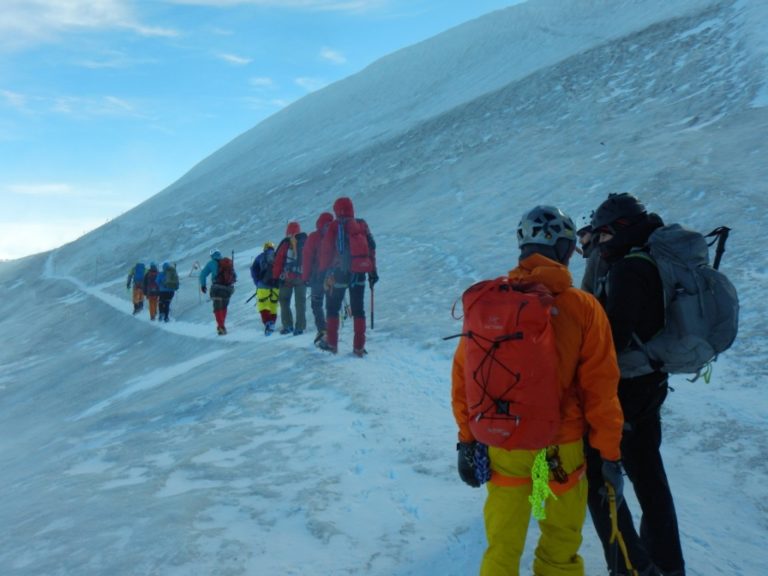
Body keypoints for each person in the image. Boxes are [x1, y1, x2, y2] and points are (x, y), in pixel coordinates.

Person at [451, 205, 624, 576]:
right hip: (561, 446)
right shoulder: (583, 308)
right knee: (559, 547)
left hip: (505, 441)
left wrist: (467, 439)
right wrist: (609, 453)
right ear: (563, 250)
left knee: (502, 546)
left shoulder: (491, 303)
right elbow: (601, 388)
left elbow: (463, 374)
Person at [585, 192, 685, 576]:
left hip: (626, 389)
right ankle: (668, 564)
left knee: (602, 477)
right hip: (650, 382)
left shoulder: (629, 269)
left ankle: (632, 567)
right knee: (649, 474)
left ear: (623, 229)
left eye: (605, 237)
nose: (601, 246)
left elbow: (614, 338)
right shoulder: (648, 259)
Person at [316, 197, 378, 357]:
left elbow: (326, 250)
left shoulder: (334, 226)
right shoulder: (362, 224)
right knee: (358, 310)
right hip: (359, 272)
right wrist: (373, 271)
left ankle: (332, 344)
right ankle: (358, 347)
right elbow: (371, 248)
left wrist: (322, 272)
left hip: (338, 273)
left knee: (332, 308)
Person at [302, 211, 334, 344]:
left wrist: (305, 277)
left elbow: (307, 258)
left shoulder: (313, 237)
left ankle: (323, 331)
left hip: (317, 277)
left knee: (316, 304)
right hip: (333, 277)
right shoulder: (336, 236)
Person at [272, 222, 308, 335]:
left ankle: (288, 326)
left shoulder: (285, 244)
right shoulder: (305, 242)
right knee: (300, 303)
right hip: (301, 277)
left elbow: (278, 262)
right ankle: (300, 327)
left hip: (286, 278)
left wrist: (275, 277)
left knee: (284, 301)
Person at [199, 249, 236, 335]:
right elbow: (234, 276)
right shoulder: (227, 262)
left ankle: (221, 327)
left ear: (212, 255)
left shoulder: (211, 263)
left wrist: (203, 285)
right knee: (224, 307)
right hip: (228, 289)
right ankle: (222, 325)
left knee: (217, 308)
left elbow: (203, 274)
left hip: (217, 288)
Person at [250, 241, 279, 335]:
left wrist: (257, 282)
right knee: (273, 305)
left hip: (263, 284)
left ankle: (268, 323)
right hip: (276, 285)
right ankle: (273, 323)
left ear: (265, 248)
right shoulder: (277, 255)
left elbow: (253, 270)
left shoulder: (260, 257)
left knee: (263, 305)